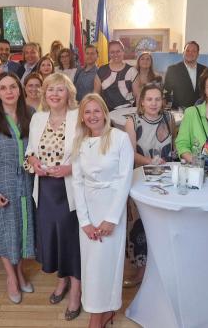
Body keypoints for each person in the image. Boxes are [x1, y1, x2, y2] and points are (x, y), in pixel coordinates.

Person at [71, 94, 134, 328]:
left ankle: (102, 313)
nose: (92, 116)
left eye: (96, 111)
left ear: (105, 113)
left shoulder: (120, 138)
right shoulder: (79, 142)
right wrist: (84, 221)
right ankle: (98, 313)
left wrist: (111, 219)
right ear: (82, 117)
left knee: (107, 263)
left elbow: (125, 179)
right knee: (91, 265)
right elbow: (77, 183)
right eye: (87, 112)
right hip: (89, 210)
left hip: (111, 207)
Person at [25, 73, 81, 320]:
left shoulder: (78, 117)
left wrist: (71, 168)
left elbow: (90, 154)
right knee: (54, 238)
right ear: (44, 94)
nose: (55, 94)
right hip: (46, 190)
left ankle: (76, 291)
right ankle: (62, 279)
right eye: (50, 90)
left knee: (71, 241)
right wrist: (33, 162)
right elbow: (30, 151)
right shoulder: (37, 118)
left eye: (60, 89)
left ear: (69, 93)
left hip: (70, 190)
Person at [0, 73, 35, 304]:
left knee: (21, 229)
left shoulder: (30, 114)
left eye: (13, 86)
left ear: (20, 90)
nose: (9, 91)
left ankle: (19, 270)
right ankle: (11, 277)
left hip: (27, 182)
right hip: (2, 182)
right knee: (4, 230)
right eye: (3, 88)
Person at [123, 83, 176, 288]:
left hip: (165, 180)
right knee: (141, 225)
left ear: (162, 101)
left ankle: (162, 269)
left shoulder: (169, 118)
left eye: (157, 99)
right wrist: (150, 162)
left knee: (163, 224)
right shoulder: (132, 121)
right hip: (141, 180)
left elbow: (173, 148)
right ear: (142, 102)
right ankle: (141, 271)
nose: (154, 103)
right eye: (149, 99)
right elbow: (130, 153)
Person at [94, 40, 139, 111]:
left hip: (127, 112)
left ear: (123, 52)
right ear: (108, 54)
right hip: (106, 111)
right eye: (112, 52)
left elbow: (138, 95)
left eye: (118, 51)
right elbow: (96, 94)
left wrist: (138, 113)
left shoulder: (132, 71)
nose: (115, 54)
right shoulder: (101, 71)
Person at [163, 41, 207, 109]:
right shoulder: (173, 69)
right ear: (183, 53)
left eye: (193, 51)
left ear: (198, 54)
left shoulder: (205, 70)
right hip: (180, 111)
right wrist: (166, 104)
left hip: (200, 110)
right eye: (187, 50)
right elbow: (166, 91)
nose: (190, 53)